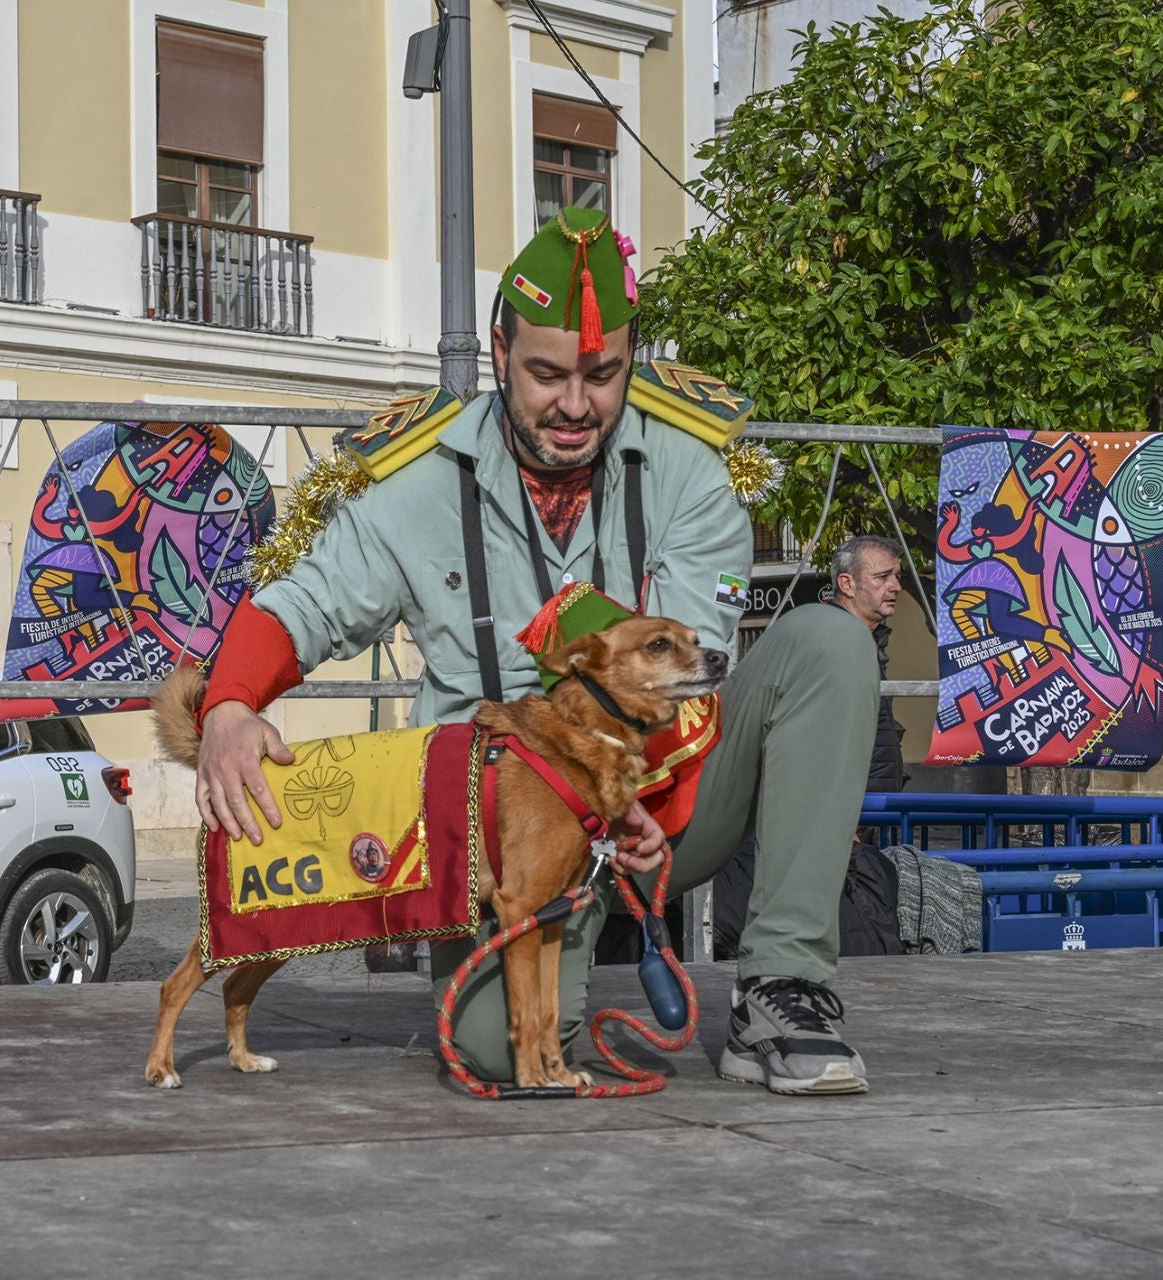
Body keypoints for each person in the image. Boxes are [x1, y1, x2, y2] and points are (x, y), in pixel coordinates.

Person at [194, 207, 880, 1095]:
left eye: (604, 375)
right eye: (546, 373)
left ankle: (782, 987)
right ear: (498, 353)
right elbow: (305, 603)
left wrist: (645, 812)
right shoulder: (417, 482)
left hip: (662, 802)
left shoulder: (691, 470)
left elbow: (690, 676)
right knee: (493, 1054)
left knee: (827, 641)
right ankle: (555, 983)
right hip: (502, 838)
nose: (575, 405)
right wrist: (229, 706)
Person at [830, 535, 909, 792]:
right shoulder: (831, 642)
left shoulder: (870, 639)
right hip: (850, 812)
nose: (896, 586)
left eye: (897, 576)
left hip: (876, 809)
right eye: (883, 576)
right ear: (847, 584)